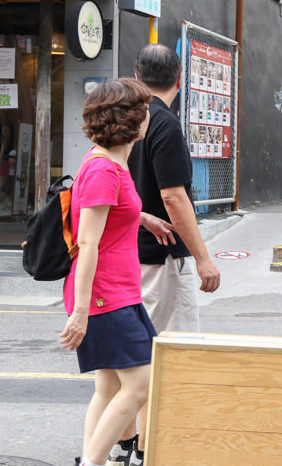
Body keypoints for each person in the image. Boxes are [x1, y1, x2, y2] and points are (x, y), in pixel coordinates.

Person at [112, 44, 222, 465]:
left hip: (124, 255)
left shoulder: (123, 119)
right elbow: (174, 197)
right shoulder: (165, 125)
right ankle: (149, 447)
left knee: (129, 354)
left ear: (137, 75)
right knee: (166, 354)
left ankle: (126, 442)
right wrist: (203, 257)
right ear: (180, 80)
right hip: (159, 260)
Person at [61, 78, 169, 466]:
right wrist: (80, 312)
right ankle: (92, 463)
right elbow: (88, 242)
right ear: (129, 121)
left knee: (108, 387)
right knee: (140, 383)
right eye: (144, 111)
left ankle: (96, 461)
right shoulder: (104, 168)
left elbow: (109, 212)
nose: (149, 118)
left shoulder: (112, 164)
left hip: (118, 290)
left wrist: (142, 219)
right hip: (104, 294)